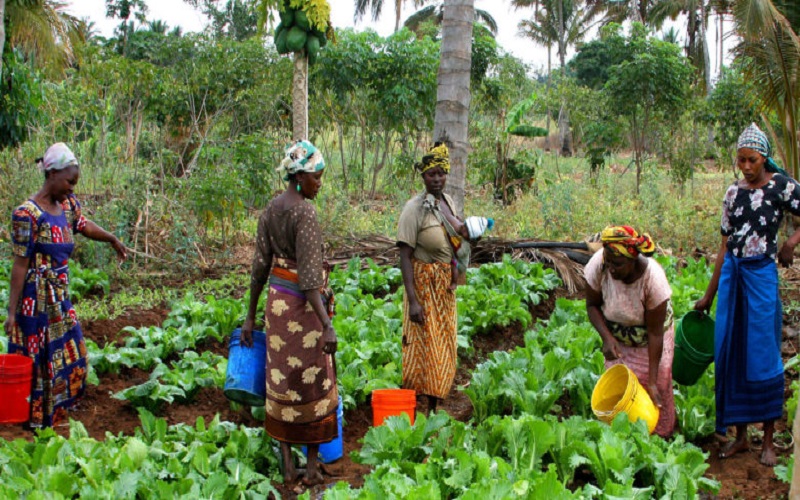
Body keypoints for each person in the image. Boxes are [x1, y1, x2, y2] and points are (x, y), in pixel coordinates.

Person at [694, 123, 800, 466]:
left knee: (763, 352)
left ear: (764, 157)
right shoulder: (732, 194)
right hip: (732, 277)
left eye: (752, 160)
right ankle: (741, 437)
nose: (746, 167)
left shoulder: (781, 186)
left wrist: (790, 243)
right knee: (731, 352)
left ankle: (767, 439)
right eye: (741, 160)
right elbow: (724, 246)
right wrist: (709, 295)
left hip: (761, 277)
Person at [3, 143, 127, 428]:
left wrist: (112, 239)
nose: (72, 188)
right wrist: (11, 313)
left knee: (74, 355)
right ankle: (33, 421)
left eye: (75, 183)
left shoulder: (68, 206)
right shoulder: (27, 214)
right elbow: (20, 264)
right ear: (52, 174)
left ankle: (57, 413)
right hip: (34, 302)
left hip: (60, 297)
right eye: (69, 182)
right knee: (39, 361)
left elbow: (84, 225)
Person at [241, 140, 337, 486]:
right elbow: (310, 280)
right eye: (316, 178)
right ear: (299, 177)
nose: (319, 184)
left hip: (277, 308)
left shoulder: (271, 210)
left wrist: (251, 317)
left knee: (281, 381)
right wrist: (326, 325)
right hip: (303, 310)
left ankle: (286, 466)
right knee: (312, 383)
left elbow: (259, 267)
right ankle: (310, 471)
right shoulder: (305, 213)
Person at [585, 225, 676, 437]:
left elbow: (655, 335)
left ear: (633, 260)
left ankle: (662, 437)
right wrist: (607, 338)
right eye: (608, 262)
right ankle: (624, 438)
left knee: (657, 387)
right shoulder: (598, 266)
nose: (611, 269)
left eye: (617, 264)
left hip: (651, 339)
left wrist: (652, 381)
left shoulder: (653, 280)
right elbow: (591, 306)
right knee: (620, 390)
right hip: (618, 337)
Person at [397, 142, 466, 414]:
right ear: (422, 177)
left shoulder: (447, 202)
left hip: (443, 289)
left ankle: (436, 406)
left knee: (443, 345)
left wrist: (455, 273)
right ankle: (419, 406)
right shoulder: (413, 210)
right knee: (423, 348)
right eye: (430, 174)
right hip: (423, 287)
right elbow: (404, 256)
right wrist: (413, 301)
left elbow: (458, 239)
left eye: (440, 173)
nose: (436, 179)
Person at [448, 216, 494, 289]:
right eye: (464, 226)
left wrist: (451, 246)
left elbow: (458, 254)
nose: (464, 231)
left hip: (460, 264)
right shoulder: (462, 228)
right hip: (458, 256)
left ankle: (454, 283)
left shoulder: (466, 246)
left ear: (471, 238)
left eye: (467, 232)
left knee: (453, 263)